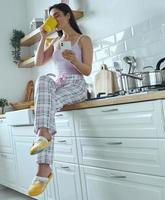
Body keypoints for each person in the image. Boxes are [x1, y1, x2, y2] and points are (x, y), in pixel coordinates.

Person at [27, 3, 93, 197]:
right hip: (58, 83)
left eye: (56, 15)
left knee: (47, 106)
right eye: (50, 17)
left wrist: (74, 60)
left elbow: (87, 71)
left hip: (76, 84)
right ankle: (44, 133)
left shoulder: (83, 39)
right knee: (42, 80)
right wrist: (43, 37)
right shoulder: (55, 42)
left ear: (67, 16)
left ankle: (43, 169)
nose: (53, 20)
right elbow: (39, 62)